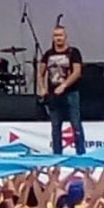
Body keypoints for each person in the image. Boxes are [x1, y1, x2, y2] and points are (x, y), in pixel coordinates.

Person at [38, 26, 85, 155]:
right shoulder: (48, 54)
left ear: (65, 36)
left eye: (60, 35)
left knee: (75, 124)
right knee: (55, 126)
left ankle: (80, 154)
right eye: (56, 36)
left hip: (71, 93)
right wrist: (42, 87)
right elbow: (40, 71)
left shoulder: (73, 52)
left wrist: (64, 85)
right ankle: (57, 154)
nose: (58, 38)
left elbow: (77, 72)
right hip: (54, 95)